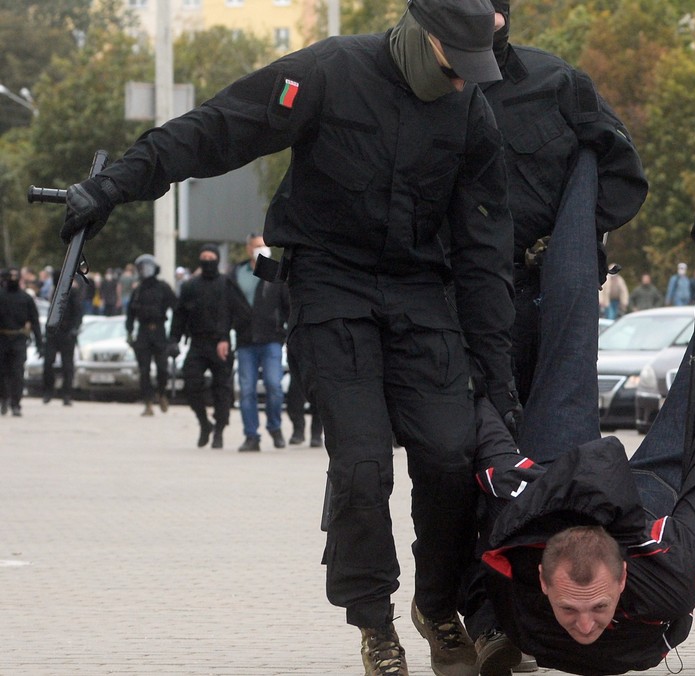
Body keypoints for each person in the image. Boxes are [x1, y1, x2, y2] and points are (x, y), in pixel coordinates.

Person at [57, 1, 517, 673]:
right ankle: (375, 623)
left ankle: (437, 603)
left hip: (422, 295)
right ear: (426, 35)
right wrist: (112, 186)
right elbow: (214, 130)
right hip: (333, 291)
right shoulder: (326, 73)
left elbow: (483, 246)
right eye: (456, 66)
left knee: (451, 458)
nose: (462, 83)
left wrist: (496, 370)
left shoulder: (470, 107)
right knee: (361, 466)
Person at [474, 353, 695, 676]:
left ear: (622, 578)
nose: (585, 626)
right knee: (564, 351)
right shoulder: (515, 557)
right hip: (558, 497)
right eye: (568, 608)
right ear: (543, 580)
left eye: (598, 606)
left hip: (647, 512)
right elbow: (491, 450)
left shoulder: (673, 575)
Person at [481, 0, 647, 403]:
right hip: (447, 295)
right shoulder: (422, 87)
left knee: (545, 436)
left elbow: (623, 173)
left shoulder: (556, 81)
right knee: (451, 447)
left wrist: (571, 243)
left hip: (537, 296)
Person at [169, 246, 250, 448]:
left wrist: (227, 336)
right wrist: (173, 340)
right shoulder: (190, 286)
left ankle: (219, 430)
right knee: (191, 383)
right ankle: (205, 423)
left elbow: (242, 313)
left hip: (221, 343)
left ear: (217, 259)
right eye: (203, 257)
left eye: (211, 258)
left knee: (222, 390)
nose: (207, 261)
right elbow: (179, 315)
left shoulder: (227, 284)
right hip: (197, 343)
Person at [232, 233, 288, 452]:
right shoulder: (237, 273)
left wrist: (287, 330)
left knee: (274, 385)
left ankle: (275, 426)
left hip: (271, 339)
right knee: (246, 390)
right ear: (248, 249)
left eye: (265, 246)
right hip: (246, 340)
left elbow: (286, 304)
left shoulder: (276, 272)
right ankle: (251, 436)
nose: (261, 249)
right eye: (257, 246)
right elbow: (230, 304)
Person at [126, 253, 179, 416]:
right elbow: (130, 314)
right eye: (141, 268)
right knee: (144, 370)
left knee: (163, 369)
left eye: (147, 268)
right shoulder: (138, 290)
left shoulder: (163, 287)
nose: (144, 271)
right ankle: (148, 402)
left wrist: (174, 336)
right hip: (143, 333)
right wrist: (129, 332)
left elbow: (176, 309)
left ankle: (161, 393)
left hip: (160, 332)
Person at [1, 268, 43, 417]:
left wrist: (39, 343)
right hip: (2, 339)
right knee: (2, 373)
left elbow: (35, 321)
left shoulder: (26, 298)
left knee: (17, 373)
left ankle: (16, 404)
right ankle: (4, 399)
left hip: (19, 340)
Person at [42, 268, 87, 406]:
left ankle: (67, 394)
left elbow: (78, 313)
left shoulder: (72, 293)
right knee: (48, 363)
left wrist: (74, 329)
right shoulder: (53, 292)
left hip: (67, 332)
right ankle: (48, 391)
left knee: (67, 365)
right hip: (54, 332)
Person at [285, 346, 322, 447]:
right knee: (294, 396)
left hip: (321, 351)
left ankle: (316, 434)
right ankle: (298, 429)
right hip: (299, 349)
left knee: (319, 395)